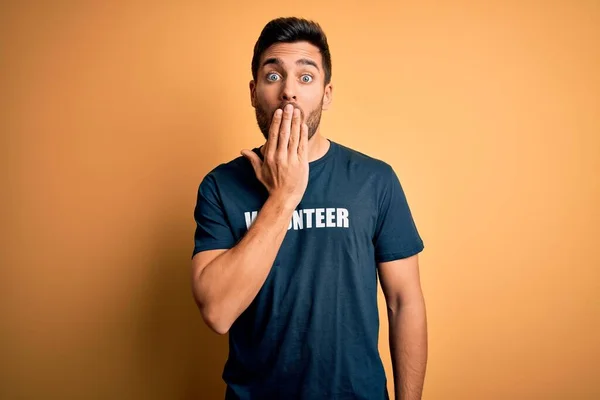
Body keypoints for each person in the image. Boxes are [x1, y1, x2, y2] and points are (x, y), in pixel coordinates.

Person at [191, 17, 427, 400]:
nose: (289, 92)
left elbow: (404, 302)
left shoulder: (375, 180)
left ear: (326, 93)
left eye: (305, 77)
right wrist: (283, 197)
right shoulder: (220, 186)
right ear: (253, 92)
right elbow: (217, 312)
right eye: (273, 77)